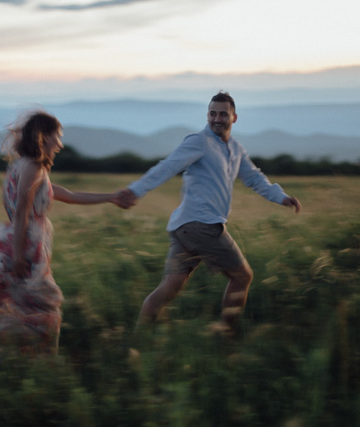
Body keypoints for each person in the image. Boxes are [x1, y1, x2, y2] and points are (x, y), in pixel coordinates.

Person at [119, 91, 301, 335]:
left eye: (223, 114)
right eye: (212, 114)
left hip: (184, 228)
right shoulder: (199, 142)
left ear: (234, 118)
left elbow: (255, 178)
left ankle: (137, 339)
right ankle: (226, 339)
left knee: (170, 288)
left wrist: (280, 197)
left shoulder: (236, 149)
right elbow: (168, 166)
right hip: (201, 226)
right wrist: (135, 191)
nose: (217, 119)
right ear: (207, 115)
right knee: (242, 278)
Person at [0, 111, 131, 354]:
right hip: (26, 244)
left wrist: (111, 197)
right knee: (44, 305)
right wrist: (20, 255)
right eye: (57, 137)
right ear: (44, 138)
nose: (60, 144)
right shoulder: (33, 167)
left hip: (18, 240)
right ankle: (40, 359)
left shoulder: (23, 165)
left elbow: (70, 195)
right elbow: (23, 210)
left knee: (16, 301)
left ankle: (4, 354)